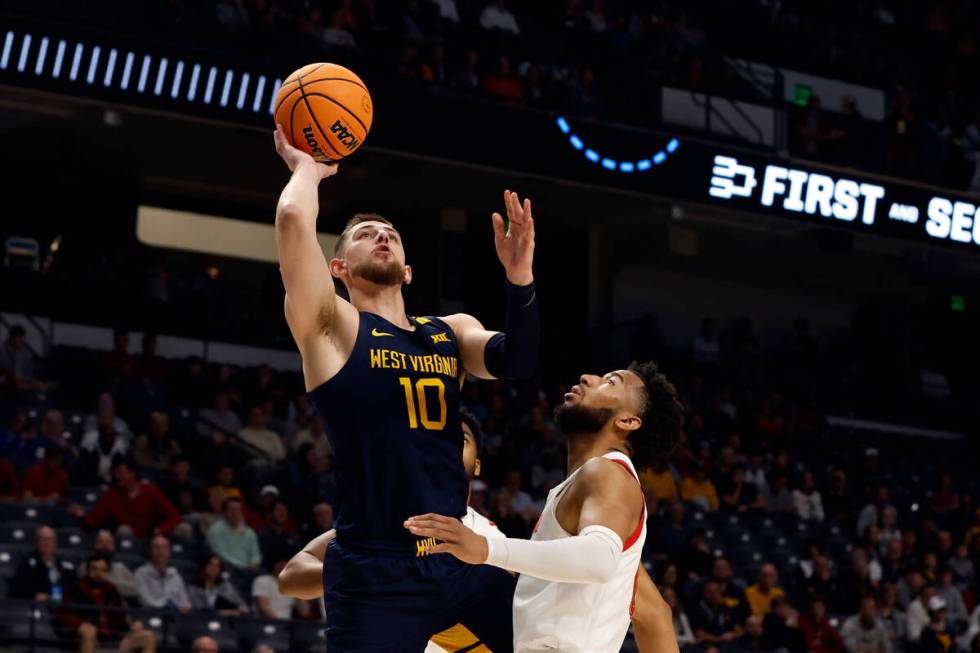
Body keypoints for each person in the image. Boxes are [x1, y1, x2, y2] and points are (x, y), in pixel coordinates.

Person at [273, 120, 539, 653]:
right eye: (366, 234)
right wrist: (308, 170)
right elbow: (291, 218)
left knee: (550, 638)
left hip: (456, 557)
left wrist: (519, 277)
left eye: (390, 233)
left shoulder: (450, 331)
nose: (383, 236)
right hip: (375, 575)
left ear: (409, 270)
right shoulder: (332, 329)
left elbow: (519, 360)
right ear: (339, 267)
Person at [405, 362, 683, 653]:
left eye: (610, 382)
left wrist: (485, 548)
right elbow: (655, 614)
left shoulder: (607, 473)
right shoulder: (595, 492)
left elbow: (599, 559)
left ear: (628, 421)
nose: (587, 377)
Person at [57, 554, 156, 653]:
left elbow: (120, 618)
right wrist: (80, 625)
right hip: (86, 637)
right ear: (87, 571)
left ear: (107, 573)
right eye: (94, 569)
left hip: (113, 637)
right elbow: (66, 615)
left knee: (148, 636)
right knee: (89, 632)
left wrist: (132, 627)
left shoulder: (111, 590)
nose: (98, 573)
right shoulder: (75, 588)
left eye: (103, 570)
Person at [71, 458, 182, 538]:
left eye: (121, 472)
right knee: (124, 530)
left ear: (132, 474)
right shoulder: (112, 494)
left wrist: (161, 530)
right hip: (128, 538)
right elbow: (94, 519)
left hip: (152, 537)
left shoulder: (150, 491)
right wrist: (82, 515)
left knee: (184, 528)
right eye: (116, 473)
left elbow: (174, 516)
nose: (117, 476)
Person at [10, 525, 76, 601]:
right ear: (37, 542)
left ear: (56, 542)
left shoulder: (66, 566)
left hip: (62, 608)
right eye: (43, 540)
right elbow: (16, 591)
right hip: (36, 607)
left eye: (50, 540)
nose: (47, 543)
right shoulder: (26, 565)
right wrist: (34, 596)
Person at [133, 536, 191, 611]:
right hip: (151, 615)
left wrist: (182, 608)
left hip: (176, 617)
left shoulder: (175, 575)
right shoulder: (140, 573)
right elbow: (144, 600)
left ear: (169, 552)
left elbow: (185, 603)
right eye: (156, 547)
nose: (161, 551)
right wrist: (168, 607)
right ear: (150, 551)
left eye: (165, 548)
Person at [206, 497, 261, 570]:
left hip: (249, 570)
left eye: (237, 510)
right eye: (231, 510)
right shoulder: (215, 530)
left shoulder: (249, 532)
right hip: (225, 569)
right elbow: (220, 555)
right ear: (224, 512)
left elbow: (256, 555)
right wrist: (243, 567)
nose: (235, 513)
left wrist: (254, 564)